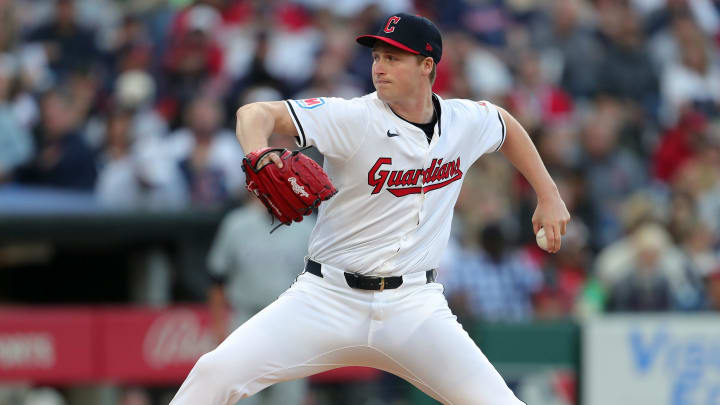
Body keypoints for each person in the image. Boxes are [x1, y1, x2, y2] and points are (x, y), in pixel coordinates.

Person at [171, 13, 570, 405]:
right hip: (326, 298)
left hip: (414, 307)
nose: (379, 66)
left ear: (427, 66)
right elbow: (254, 113)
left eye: (393, 58)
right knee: (213, 375)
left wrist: (548, 193)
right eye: (377, 56)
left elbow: (505, 125)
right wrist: (258, 152)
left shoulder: (463, 121)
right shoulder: (354, 117)